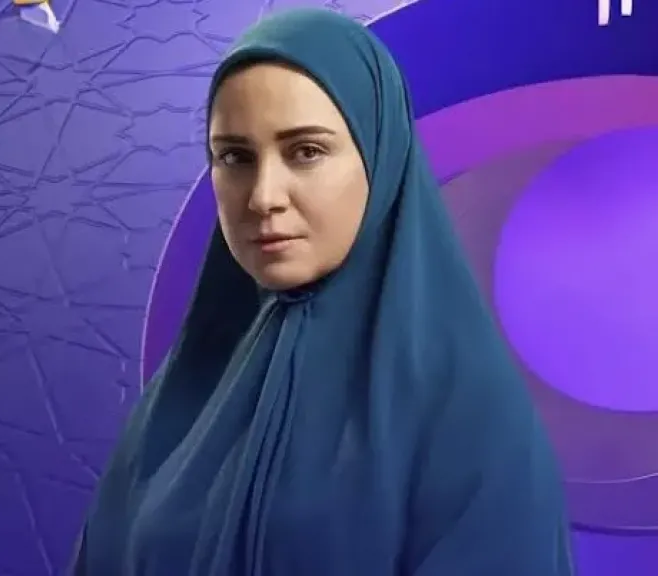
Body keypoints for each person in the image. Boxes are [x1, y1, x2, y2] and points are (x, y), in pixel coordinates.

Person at [72, 8, 575, 576]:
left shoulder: (472, 421)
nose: (264, 196)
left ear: (379, 158)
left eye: (306, 151)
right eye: (234, 157)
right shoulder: (187, 396)